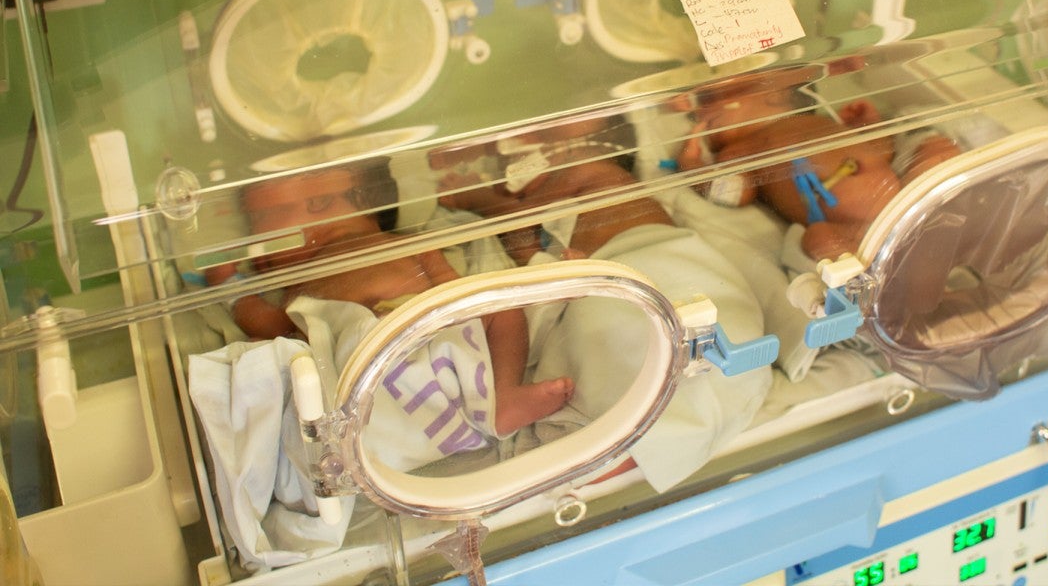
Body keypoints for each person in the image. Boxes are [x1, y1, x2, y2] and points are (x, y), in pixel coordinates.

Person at [434, 114, 773, 492]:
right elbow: (526, 244)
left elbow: (519, 213)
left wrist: (481, 197)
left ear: (603, 144)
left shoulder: (597, 172)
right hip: (606, 270)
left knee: (675, 344)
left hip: (655, 261)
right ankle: (639, 436)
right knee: (625, 345)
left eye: (549, 141)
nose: (538, 150)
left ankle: (644, 435)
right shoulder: (571, 200)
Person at [206, 164, 573, 438]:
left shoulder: (406, 245)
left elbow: (450, 288)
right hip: (362, 365)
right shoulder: (297, 288)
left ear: (322, 201)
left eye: (262, 218)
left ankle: (502, 395)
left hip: (428, 332)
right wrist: (232, 288)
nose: (255, 240)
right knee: (273, 355)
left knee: (500, 307)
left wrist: (233, 290)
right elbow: (275, 326)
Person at [676, 84, 962, 263]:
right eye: (700, 110)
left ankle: (944, 222)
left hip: (904, 194)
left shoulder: (814, 120)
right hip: (860, 229)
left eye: (713, 97)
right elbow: (738, 192)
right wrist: (694, 169)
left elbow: (881, 148)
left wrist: (869, 125)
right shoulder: (738, 152)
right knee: (819, 240)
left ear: (775, 94)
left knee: (938, 148)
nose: (703, 112)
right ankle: (889, 258)